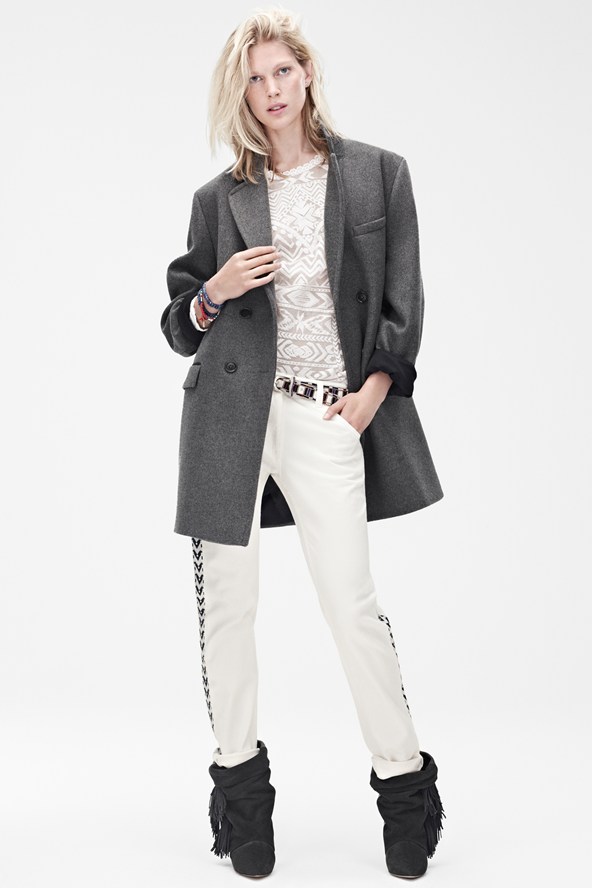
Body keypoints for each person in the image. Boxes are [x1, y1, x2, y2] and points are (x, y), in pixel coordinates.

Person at [161, 7, 445, 880]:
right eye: (255, 78)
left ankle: (405, 786)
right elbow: (178, 326)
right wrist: (212, 290)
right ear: (241, 93)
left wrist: (371, 395)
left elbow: (403, 301)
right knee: (228, 611)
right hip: (230, 422)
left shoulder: (375, 175)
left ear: (307, 72)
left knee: (351, 607)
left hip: (328, 416)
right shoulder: (219, 199)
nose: (271, 89)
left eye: (282, 70)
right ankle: (242, 798)